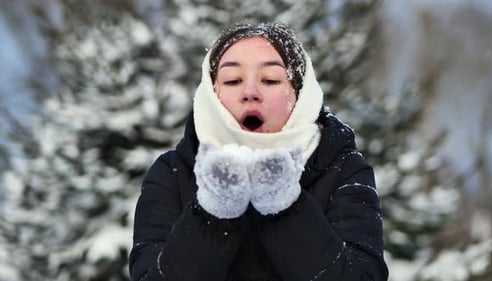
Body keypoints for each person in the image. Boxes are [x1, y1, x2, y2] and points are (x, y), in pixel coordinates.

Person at [129, 22, 388, 281]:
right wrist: (212, 213)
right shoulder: (171, 173)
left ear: (299, 94)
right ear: (211, 93)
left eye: (270, 80)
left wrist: (286, 206)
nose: (250, 92)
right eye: (232, 80)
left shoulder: (342, 168)